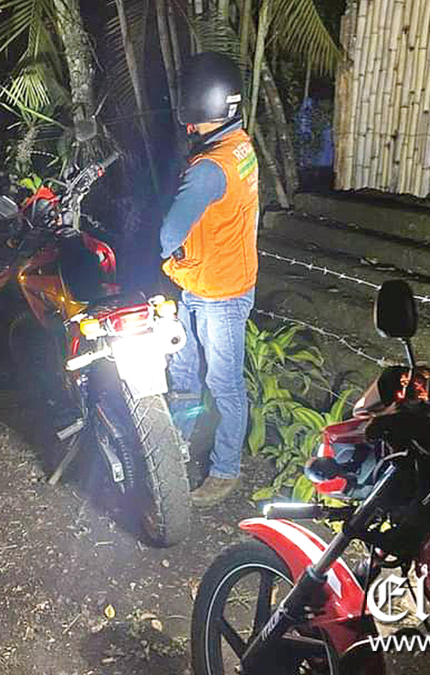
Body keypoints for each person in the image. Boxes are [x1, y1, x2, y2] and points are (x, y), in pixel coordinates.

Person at [161, 52, 259, 507]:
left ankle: (224, 470)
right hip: (214, 280)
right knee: (188, 370)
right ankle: (176, 446)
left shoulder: (207, 169)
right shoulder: (240, 145)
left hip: (217, 292)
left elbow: (168, 234)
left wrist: (158, 254)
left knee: (219, 383)